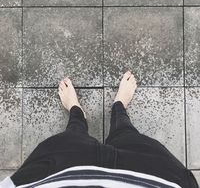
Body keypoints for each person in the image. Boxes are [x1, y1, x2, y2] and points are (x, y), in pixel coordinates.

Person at [0, 70, 199, 188]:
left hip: (61, 173)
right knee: (126, 136)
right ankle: (118, 108)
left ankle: (78, 115)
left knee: (73, 137)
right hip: (151, 176)